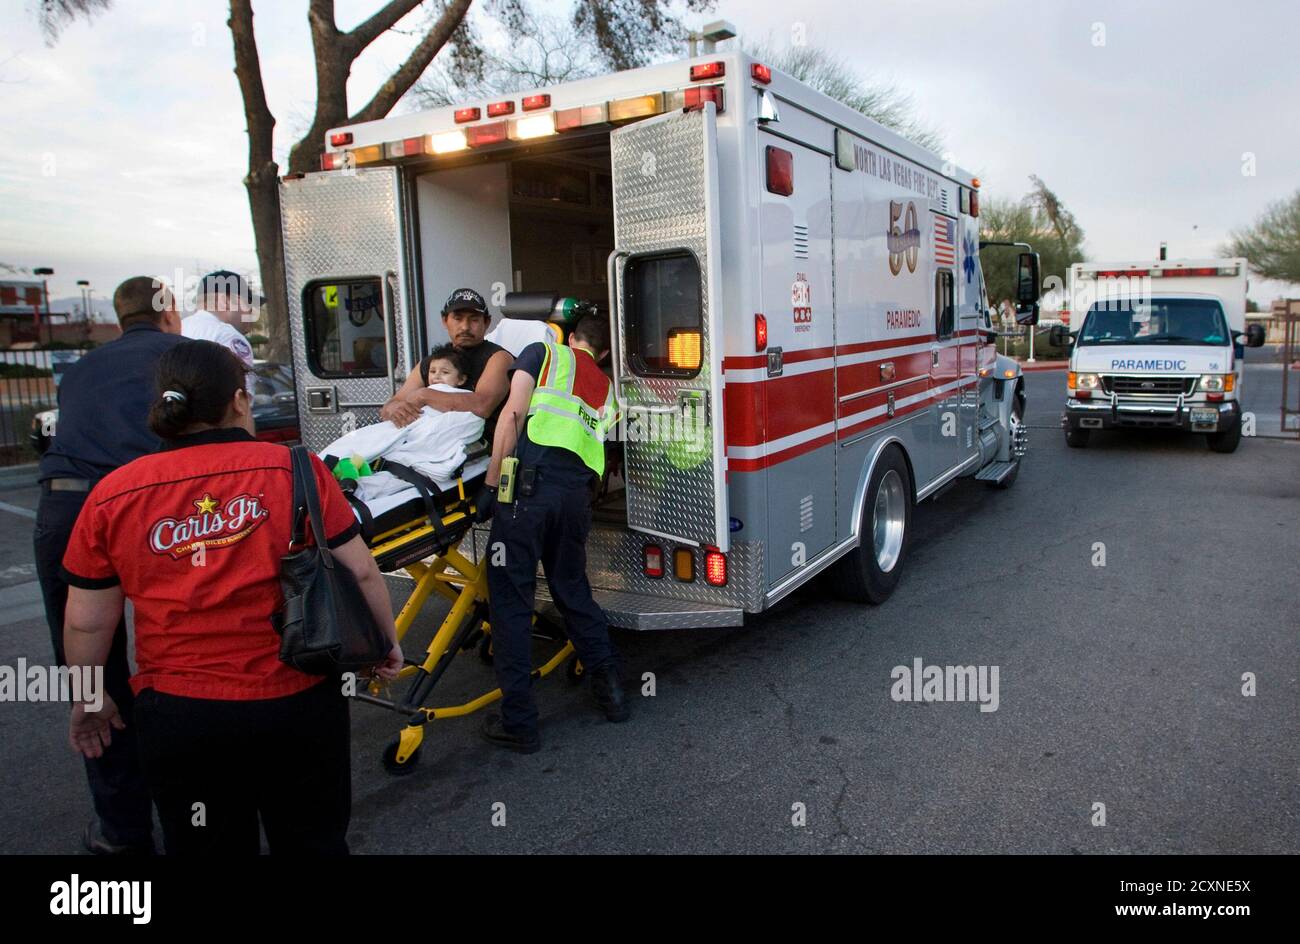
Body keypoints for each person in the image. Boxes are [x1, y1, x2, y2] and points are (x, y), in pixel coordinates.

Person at [60, 340, 402, 855]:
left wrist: (90, 697)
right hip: (297, 700)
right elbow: (362, 574)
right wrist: (382, 643)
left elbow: (88, 623)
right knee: (313, 840)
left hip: (179, 715)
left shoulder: (113, 493)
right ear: (239, 401)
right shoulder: (298, 469)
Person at [33, 275, 185, 855]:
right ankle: (192, 819)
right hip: (139, 511)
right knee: (176, 655)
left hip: (64, 509)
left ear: (120, 318)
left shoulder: (81, 370)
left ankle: (123, 833)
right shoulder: (181, 358)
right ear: (167, 312)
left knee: (90, 672)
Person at [476, 314, 626, 753]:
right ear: (603, 352)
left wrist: (490, 485)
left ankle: (520, 723)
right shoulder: (607, 387)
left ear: (571, 337)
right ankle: (613, 696)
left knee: (511, 603)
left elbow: (512, 415)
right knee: (573, 591)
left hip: (527, 494)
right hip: (574, 500)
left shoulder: (543, 353)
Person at [322, 343, 484, 491]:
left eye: (445, 372)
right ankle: (328, 465)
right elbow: (393, 415)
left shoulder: (463, 398)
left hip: (413, 445)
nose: (436, 377)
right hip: (401, 432)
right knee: (364, 440)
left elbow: (461, 424)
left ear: (461, 379)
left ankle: (345, 472)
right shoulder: (419, 396)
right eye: (432, 371)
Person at [381, 288, 511, 440]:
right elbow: (393, 403)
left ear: (487, 322)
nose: (465, 327)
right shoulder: (432, 361)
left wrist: (424, 395)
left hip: (478, 450)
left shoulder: (498, 358)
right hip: (428, 444)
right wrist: (394, 409)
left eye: (474, 319)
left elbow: (482, 405)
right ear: (445, 320)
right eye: (458, 318)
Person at [182, 269, 261, 392]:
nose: (251, 312)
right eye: (248, 303)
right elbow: (241, 398)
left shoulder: (179, 328)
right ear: (226, 301)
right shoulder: (227, 336)